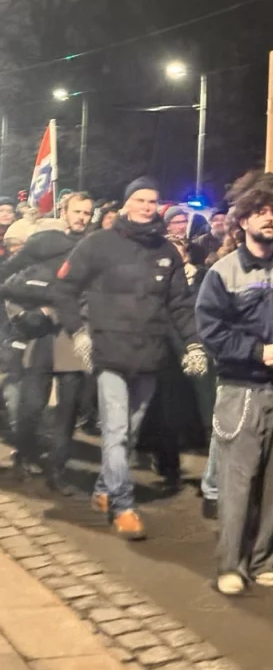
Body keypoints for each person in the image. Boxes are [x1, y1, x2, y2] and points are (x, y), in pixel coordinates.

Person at [54, 176, 206, 541]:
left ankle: (103, 490)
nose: (146, 207)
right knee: (117, 432)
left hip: (150, 356)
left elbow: (180, 305)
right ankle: (123, 506)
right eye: (139, 199)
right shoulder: (98, 243)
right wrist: (78, 332)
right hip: (108, 352)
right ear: (126, 203)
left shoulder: (166, 251)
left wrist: (194, 344)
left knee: (131, 433)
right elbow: (64, 288)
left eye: (152, 201)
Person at [195, 187, 273, 594]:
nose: (269, 218)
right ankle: (231, 564)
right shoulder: (223, 272)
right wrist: (259, 352)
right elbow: (211, 331)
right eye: (259, 212)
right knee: (237, 481)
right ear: (242, 222)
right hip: (241, 388)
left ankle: (264, 559)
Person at [0, 193, 94, 490]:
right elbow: (8, 277)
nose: (82, 217)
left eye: (87, 213)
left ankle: (58, 470)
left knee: (68, 409)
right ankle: (25, 452)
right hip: (40, 335)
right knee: (31, 404)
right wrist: (26, 312)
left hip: (72, 333)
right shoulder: (45, 242)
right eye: (77, 211)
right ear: (64, 212)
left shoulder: (95, 247)